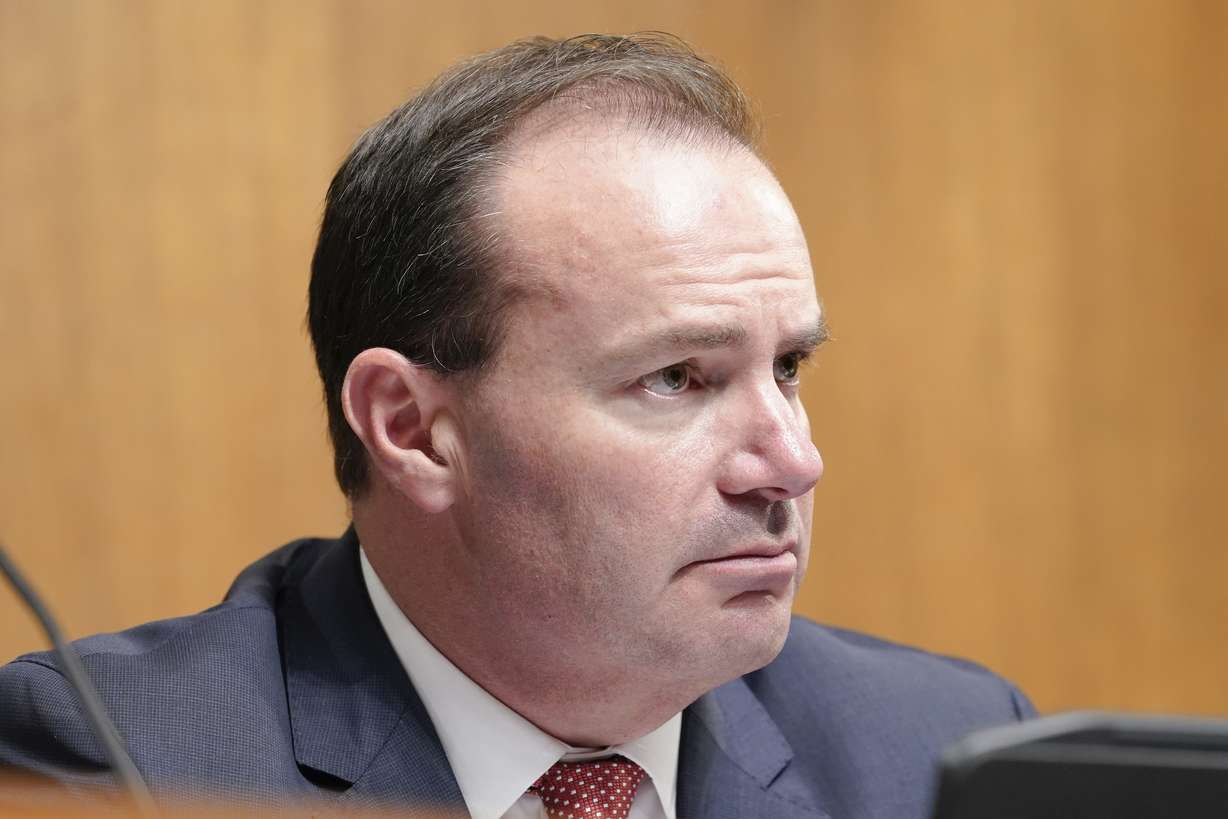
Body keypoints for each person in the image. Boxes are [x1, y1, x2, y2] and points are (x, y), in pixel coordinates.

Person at [0, 33, 1034, 819]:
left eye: (789, 368)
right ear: (410, 429)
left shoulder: (947, 755)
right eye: (678, 378)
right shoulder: (119, 765)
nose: (791, 464)